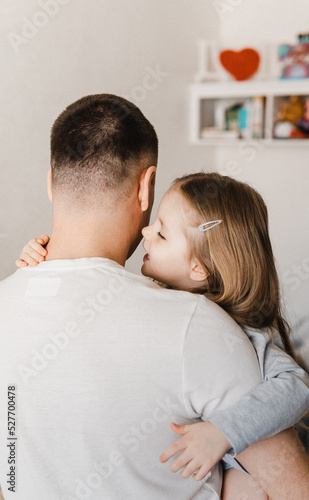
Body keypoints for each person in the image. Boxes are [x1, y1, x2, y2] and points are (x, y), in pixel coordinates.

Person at [2, 94, 308, 500]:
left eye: (163, 232)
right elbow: (293, 489)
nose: (150, 234)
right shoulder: (197, 325)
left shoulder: (10, 300)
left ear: (50, 183)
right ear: (146, 188)